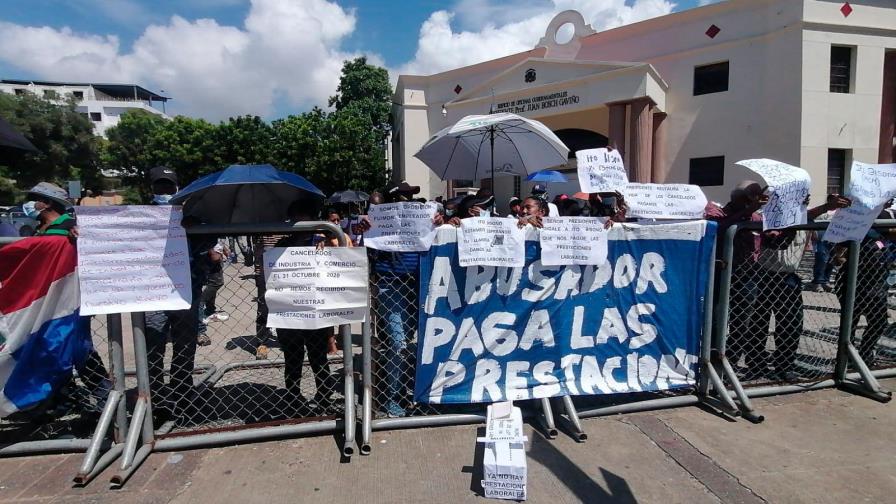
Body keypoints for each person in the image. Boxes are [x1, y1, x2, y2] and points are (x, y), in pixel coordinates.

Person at [22, 182, 111, 412]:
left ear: (47, 202)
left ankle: (105, 398)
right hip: (43, 302)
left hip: (70, 300)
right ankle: (64, 400)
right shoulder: (37, 230)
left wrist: (76, 229)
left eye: (33, 198)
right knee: (49, 348)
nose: (28, 204)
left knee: (78, 347)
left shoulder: (69, 226)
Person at [751, 194, 851, 381]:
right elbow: (776, 241)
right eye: (800, 197)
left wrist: (829, 206)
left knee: (791, 323)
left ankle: (784, 365)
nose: (805, 200)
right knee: (759, 322)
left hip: (789, 277)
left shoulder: (805, 219)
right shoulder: (772, 217)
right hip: (765, 275)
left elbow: (811, 215)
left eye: (806, 197)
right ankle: (756, 364)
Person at [143, 166, 205, 421]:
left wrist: (195, 228)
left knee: (185, 344)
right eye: (160, 186)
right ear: (152, 188)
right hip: (153, 291)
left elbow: (207, 243)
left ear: (178, 187)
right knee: (153, 345)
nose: (165, 190)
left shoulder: (189, 212)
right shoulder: (139, 214)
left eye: (169, 186)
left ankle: (182, 393)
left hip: (185, 288)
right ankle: (156, 399)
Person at [272, 198, 339, 414]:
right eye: (295, 218)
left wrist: (328, 241)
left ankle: (324, 396)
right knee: (292, 358)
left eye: (304, 218)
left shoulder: (320, 241)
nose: (299, 223)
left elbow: (342, 258)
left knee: (318, 357)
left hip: (315, 310)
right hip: (290, 311)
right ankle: (293, 397)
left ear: (312, 220)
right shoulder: (281, 245)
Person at [706, 180, 767, 379]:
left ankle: (728, 363)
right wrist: (745, 212)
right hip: (720, 275)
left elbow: (776, 240)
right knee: (715, 323)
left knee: (743, 323)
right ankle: (711, 364)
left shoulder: (757, 217)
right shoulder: (718, 212)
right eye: (748, 199)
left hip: (747, 277)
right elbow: (721, 229)